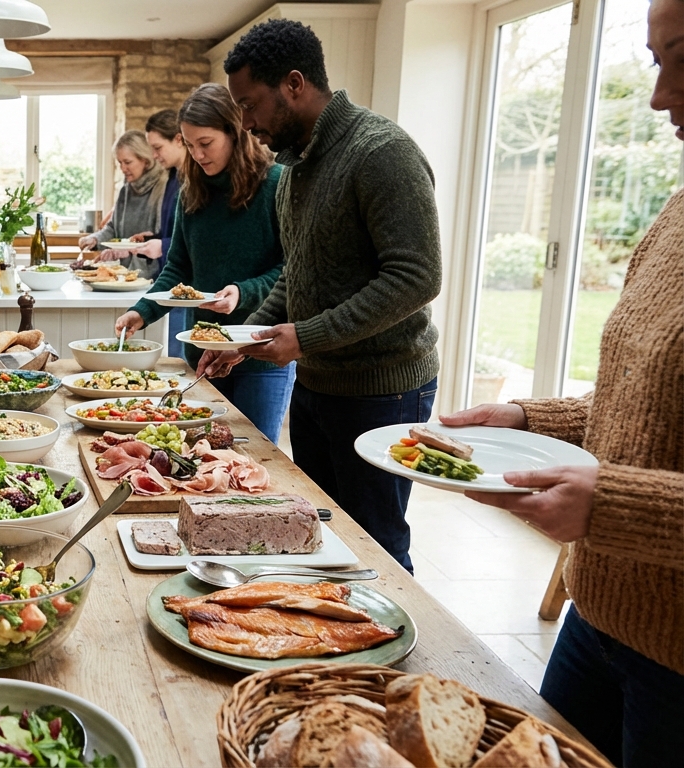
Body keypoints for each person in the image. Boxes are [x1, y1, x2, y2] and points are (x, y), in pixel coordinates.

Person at [440, 2, 682, 763]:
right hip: (599, 615)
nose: (658, 95)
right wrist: (522, 415)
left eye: (683, 57)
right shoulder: (675, 214)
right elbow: (639, 398)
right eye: (654, 62)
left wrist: (609, 504)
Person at [204, 19, 442, 572]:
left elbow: (416, 277)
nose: (245, 123)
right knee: (322, 539)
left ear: (293, 83)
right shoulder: (294, 170)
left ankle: (392, 660)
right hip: (316, 385)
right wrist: (243, 337)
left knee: (376, 545)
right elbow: (298, 273)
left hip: (382, 392)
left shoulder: (382, 152)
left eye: (251, 104)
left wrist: (305, 337)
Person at [113, 84, 294, 443]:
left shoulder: (276, 184)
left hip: (261, 355)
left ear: (236, 131)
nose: (197, 154)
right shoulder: (190, 192)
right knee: (201, 457)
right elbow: (177, 269)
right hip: (202, 355)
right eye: (189, 144)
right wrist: (141, 311)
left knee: (254, 457)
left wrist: (242, 293)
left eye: (206, 143)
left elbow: (291, 269)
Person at [78, 130, 168, 276]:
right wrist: (95, 239)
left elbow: (161, 238)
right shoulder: (125, 190)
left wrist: (127, 250)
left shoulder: (163, 187)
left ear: (145, 160)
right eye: (120, 163)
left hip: (153, 275)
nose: (123, 169)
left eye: (127, 162)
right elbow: (113, 228)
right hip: (125, 275)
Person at [143, 108, 190, 357]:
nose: (154, 155)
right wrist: (154, 239)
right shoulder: (173, 177)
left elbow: (193, 241)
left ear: (179, 140)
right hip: (173, 283)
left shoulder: (194, 179)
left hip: (187, 286)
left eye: (158, 147)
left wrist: (163, 245)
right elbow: (176, 230)